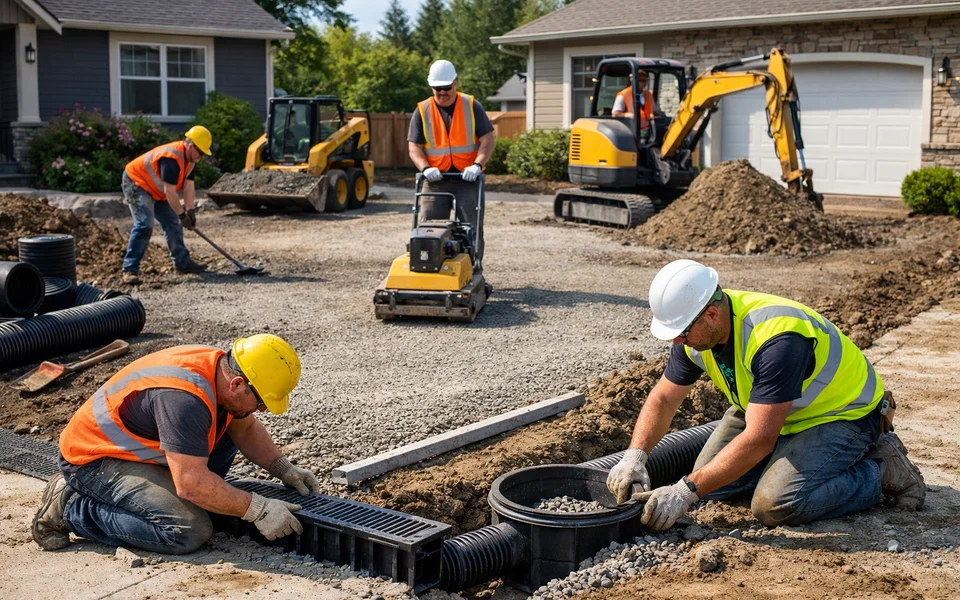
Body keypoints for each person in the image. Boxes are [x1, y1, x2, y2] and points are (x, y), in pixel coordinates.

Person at [607, 259, 925, 531]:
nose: (677, 342)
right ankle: (796, 463)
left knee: (775, 504)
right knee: (717, 485)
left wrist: (685, 491)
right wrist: (634, 457)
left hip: (843, 415)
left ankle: (881, 469)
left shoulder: (776, 338)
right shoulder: (697, 335)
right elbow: (663, 399)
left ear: (711, 315)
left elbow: (759, 439)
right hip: (779, 412)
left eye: (682, 332)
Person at [31, 334, 321, 554]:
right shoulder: (185, 400)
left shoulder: (219, 369)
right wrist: (258, 509)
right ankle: (71, 507)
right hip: (94, 459)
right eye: (260, 402)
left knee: (231, 425)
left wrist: (283, 468)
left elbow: (245, 429)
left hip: (138, 448)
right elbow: (191, 484)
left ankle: (156, 496)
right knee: (188, 529)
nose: (261, 410)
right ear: (238, 384)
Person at [408, 59, 495, 268]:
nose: (442, 92)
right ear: (431, 87)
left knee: (470, 228)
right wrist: (426, 168)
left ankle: (473, 268)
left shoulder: (471, 105)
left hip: (467, 180)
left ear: (455, 83)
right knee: (428, 227)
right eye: (437, 88)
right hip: (435, 180)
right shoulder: (422, 110)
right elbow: (414, 147)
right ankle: (428, 267)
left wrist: (477, 165)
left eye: (446, 87)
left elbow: (488, 139)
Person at [120, 126, 213, 285]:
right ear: (191, 146)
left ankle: (182, 263)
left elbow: (189, 186)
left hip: (155, 188)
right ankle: (129, 270)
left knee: (172, 222)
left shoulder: (191, 159)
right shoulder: (171, 158)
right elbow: (170, 192)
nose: (202, 156)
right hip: (136, 183)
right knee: (144, 224)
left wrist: (190, 211)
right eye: (201, 152)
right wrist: (182, 215)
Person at [611, 71, 662, 142]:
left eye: (645, 80)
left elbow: (656, 110)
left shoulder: (648, 95)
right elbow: (615, 114)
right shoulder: (624, 95)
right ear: (633, 80)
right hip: (632, 133)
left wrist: (659, 114)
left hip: (648, 133)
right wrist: (627, 115)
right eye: (641, 80)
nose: (643, 83)